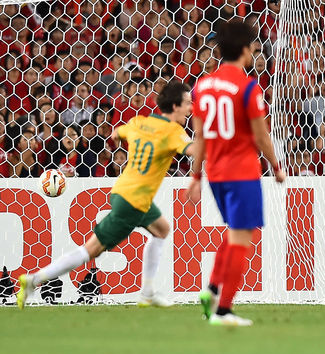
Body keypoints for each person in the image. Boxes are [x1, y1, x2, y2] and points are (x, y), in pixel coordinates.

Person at [16, 80, 197, 309]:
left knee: (162, 229)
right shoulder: (173, 132)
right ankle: (34, 280)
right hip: (133, 201)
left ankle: (147, 292)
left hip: (125, 191)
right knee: (90, 250)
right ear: (175, 106)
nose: (191, 108)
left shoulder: (141, 122)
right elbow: (194, 151)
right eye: (187, 103)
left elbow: (116, 133)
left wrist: (124, 140)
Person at [186, 21, 286, 327]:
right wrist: (276, 166)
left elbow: (200, 137)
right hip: (242, 172)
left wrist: (195, 176)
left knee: (234, 233)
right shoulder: (248, 87)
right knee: (243, 238)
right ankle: (224, 310)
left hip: (215, 173)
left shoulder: (202, 87)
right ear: (245, 50)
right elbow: (261, 136)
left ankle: (212, 289)